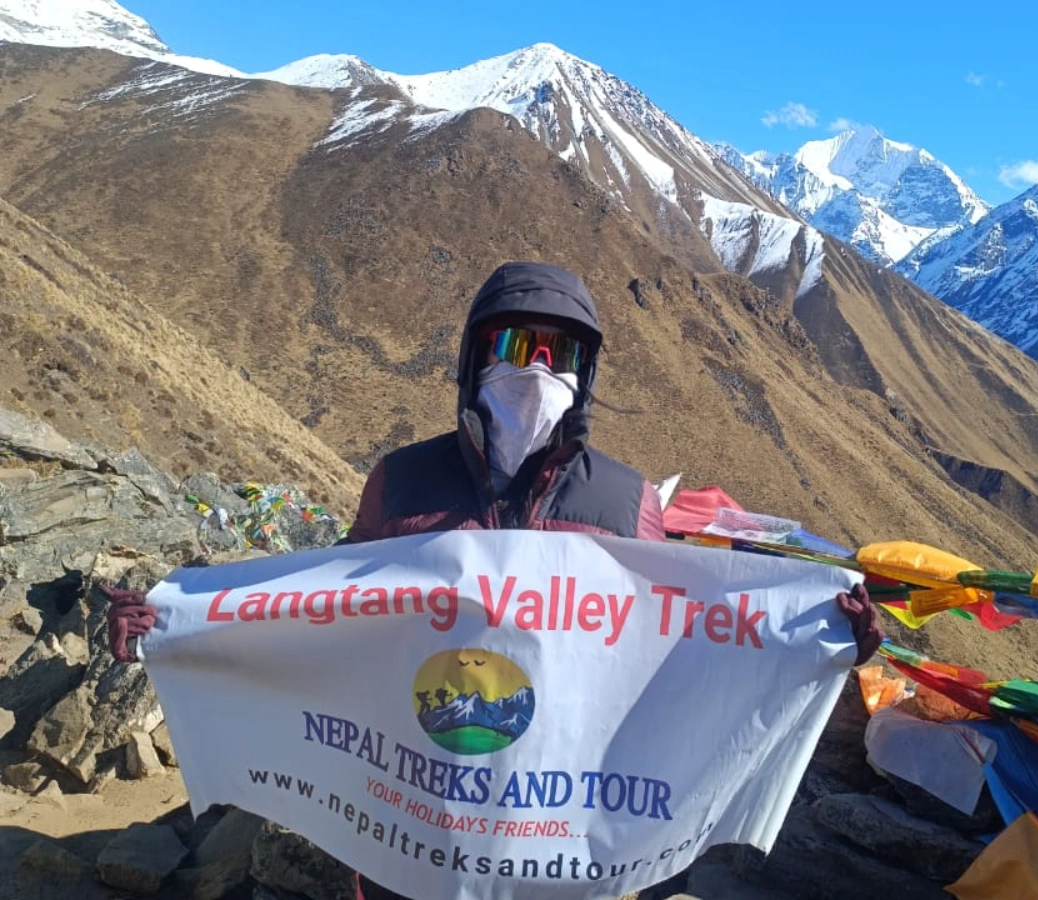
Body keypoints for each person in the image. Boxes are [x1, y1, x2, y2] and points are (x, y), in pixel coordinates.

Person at [103, 260, 881, 900]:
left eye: (558, 352)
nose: (535, 369)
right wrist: (175, 623)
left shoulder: (625, 503)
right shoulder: (402, 483)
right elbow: (317, 613)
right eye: (514, 344)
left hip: (557, 834)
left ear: (584, 371)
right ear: (475, 357)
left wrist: (816, 642)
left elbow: (673, 646)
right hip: (411, 824)